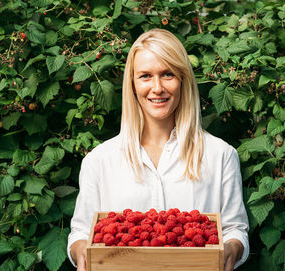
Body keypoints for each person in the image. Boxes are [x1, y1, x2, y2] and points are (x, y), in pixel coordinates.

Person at [68, 28, 249, 271]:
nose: (157, 87)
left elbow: (234, 229)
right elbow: (81, 232)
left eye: (167, 74)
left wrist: (232, 248)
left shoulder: (221, 155)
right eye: (145, 76)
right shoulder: (99, 161)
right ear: (132, 84)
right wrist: (82, 251)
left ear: (183, 79)